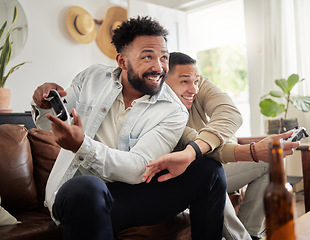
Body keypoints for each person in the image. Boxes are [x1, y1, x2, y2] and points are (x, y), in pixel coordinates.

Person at [31, 17, 227, 240]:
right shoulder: (92, 78)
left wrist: (82, 146)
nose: (159, 67)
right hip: (81, 195)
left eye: (164, 57)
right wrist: (42, 103)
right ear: (122, 62)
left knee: (210, 170)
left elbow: (139, 168)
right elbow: (49, 122)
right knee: (88, 187)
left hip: (130, 196)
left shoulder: (174, 110)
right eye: (147, 57)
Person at [142, 52, 300, 240]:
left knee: (269, 162)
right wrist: (252, 151)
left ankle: (250, 234)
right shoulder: (160, 111)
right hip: (189, 175)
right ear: (163, 83)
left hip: (216, 161)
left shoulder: (195, 82)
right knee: (211, 172)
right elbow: (197, 145)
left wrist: (255, 152)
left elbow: (231, 112)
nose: (193, 89)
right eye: (184, 82)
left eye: (196, 81)